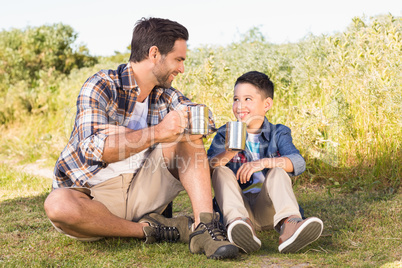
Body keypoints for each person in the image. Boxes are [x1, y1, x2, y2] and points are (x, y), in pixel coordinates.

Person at [44, 17, 238, 260]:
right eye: (178, 59)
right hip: (96, 196)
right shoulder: (101, 85)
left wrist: (131, 133)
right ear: (154, 53)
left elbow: (203, 120)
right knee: (58, 205)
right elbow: (96, 150)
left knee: (186, 137)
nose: (182, 69)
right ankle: (153, 230)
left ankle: (203, 228)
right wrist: (158, 132)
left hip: (144, 187)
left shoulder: (165, 95)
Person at [207, 71, 323, 254]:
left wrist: (263, 163)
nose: (240, 106)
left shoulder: (278, 132)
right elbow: (207, 169)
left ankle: (290, 225)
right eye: (236, 99)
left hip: (269, 209)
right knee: (220, 171)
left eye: (247, 99)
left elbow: (298, 163)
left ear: (267, 104)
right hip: (238, 209)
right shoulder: (225, 133)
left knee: (278, 170)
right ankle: (241, 227)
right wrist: (230, 151)